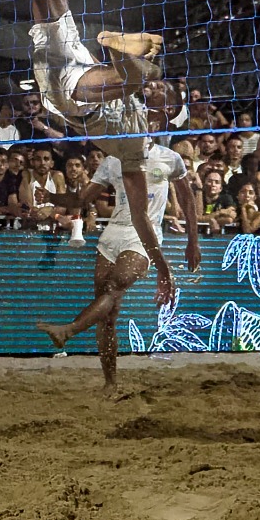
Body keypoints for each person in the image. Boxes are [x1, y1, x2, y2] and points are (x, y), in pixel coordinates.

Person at [10, 0, 194, 305]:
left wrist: (164, 267)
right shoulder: (70, 28)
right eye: (163, 90)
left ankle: (120, 44)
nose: (162, 94)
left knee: (134, 70)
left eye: (164, 97)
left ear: (162, 115)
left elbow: (140, 217)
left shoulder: (139, 156)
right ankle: (119, 46)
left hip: (70, 93)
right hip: (78, 58)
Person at [33, 142, 202, 392]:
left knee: (114, 287)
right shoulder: (113, 160)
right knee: (107, 314)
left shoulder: (168, 157)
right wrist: (52, 197)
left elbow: (187, 200)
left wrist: (193, 240)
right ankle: (110, 383)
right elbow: (81, 198)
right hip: (113, 233)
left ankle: (68, 330)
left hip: (144, 234)